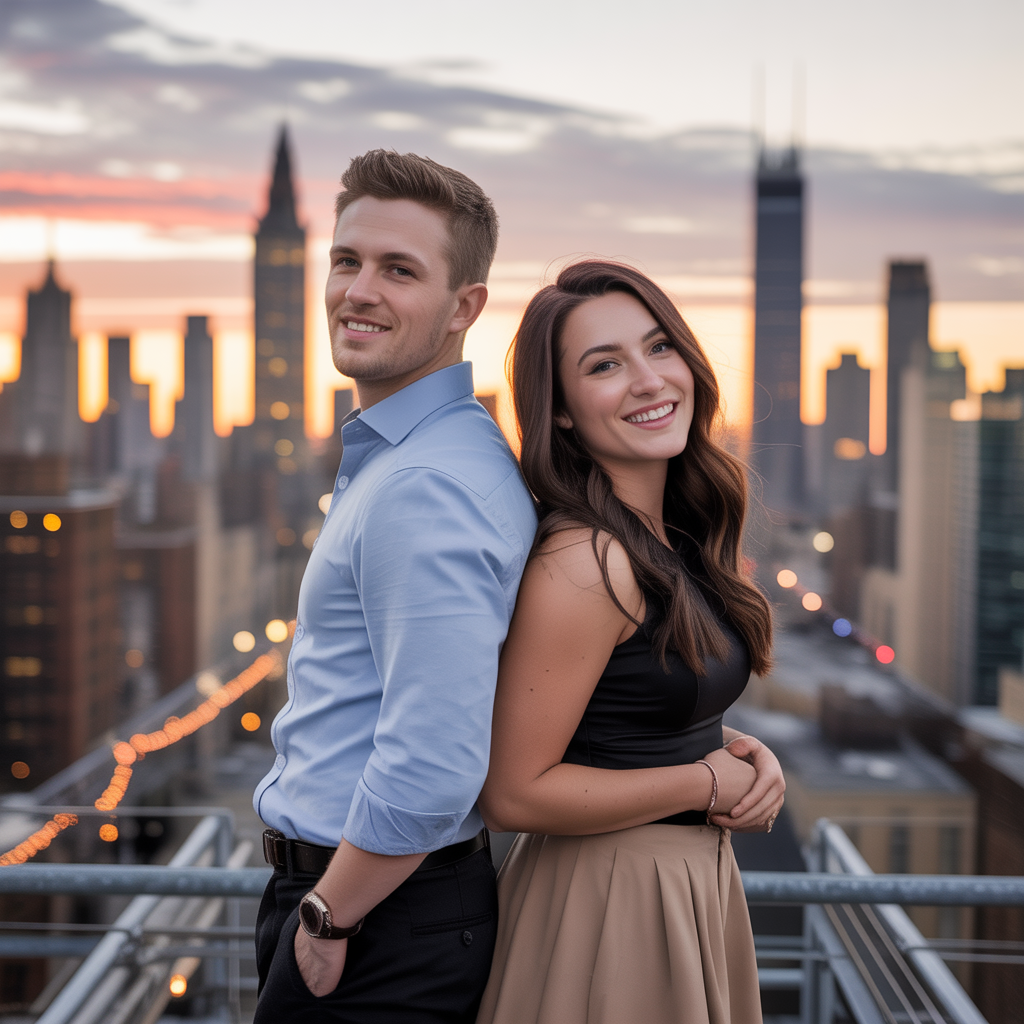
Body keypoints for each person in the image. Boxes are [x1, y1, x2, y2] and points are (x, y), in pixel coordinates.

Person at [252, 151, 537, 1023]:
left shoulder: (426, 487)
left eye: (398, 270)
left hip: (375, 916)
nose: (357, 291)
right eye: (347, 261)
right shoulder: (431, 453)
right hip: (388, 907)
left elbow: (436, 758)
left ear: (465, 308)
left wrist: (329, 917)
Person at [475, 260, 785, 1024]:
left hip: (683, 884)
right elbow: (514, 790)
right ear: (564, 414)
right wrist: (704, 783)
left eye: (658, 347)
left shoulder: (665, 538)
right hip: (609, 902)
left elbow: (620, 710)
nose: (648, 380)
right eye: (605, 365)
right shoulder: (587, 560)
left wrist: (741, 752)